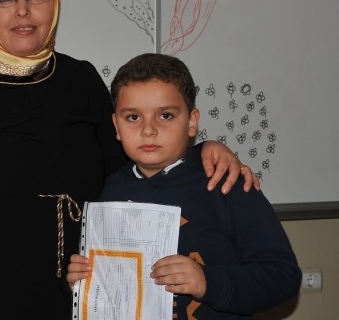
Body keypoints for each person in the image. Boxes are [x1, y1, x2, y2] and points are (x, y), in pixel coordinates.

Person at [0, 0, 258, 320]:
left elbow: (135, 168)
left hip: (85, 293)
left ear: (54, 1)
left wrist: (202, 151)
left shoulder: (80, 80)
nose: (23, 9)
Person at [67, 53, 301, 319]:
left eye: (165, 115)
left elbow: (284, 277)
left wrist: (208, 283)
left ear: (191, 122)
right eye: (133, 117)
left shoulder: (226, 183)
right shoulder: (111, 190)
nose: (148, 130)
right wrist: (86, 282)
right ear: (116, 127)